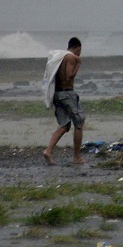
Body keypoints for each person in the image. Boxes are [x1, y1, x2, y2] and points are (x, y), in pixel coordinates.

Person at [43, 37, 85, 165]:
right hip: (67, 94)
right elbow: (69, 76)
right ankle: (77, 157)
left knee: (65, 125)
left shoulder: (59, 57)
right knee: (79, 123)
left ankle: (48, 151)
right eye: (79, 52)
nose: (78, 54)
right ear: (77, 48)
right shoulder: (71, 57)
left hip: (57, 94)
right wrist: (78, 64)